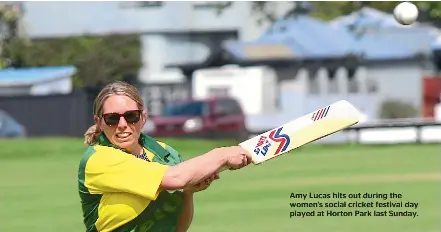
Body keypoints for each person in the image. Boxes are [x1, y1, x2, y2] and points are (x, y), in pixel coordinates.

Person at [78, 81, 251, 232]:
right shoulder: (99, 159)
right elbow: (175, 178)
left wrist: (188, 193)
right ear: (99, 121)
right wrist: (222, 154)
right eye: (112, 119)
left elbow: (177, 228)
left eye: (131, 116)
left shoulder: (163, 152)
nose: (122, 125)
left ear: (143, 117)